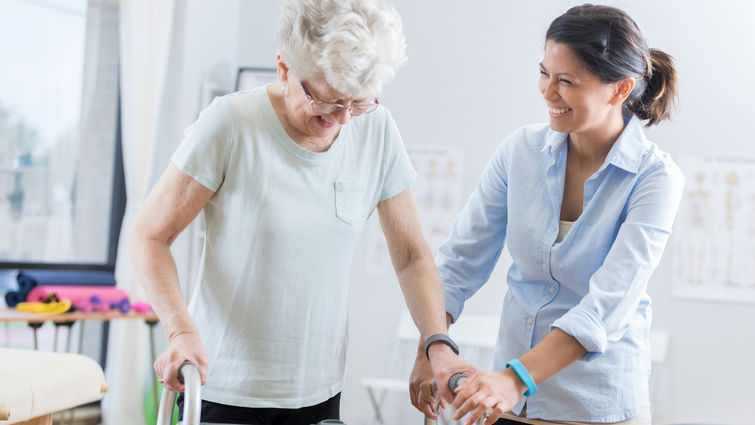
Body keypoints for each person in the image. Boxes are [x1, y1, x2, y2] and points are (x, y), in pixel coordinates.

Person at [130, 1, 473, 424]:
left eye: (357, 103)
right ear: (284, 68)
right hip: (224, 387)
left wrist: (435, 342)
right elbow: (150, 235)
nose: (344, 120)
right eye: (327, 102)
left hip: (318, 393)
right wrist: (180, 332)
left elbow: (412, 256)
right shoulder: (231, 123)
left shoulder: (376, 129)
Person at [410, 4, 684, 425]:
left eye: (566, 81)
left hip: (595, 408)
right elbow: (458, 264)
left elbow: (605, 308)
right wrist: (434, 345)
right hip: (507, 402)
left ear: (620, 89)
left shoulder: (654, 178)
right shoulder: (519, 152)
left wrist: (516, 378)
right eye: (544, 73)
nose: (547, 91)